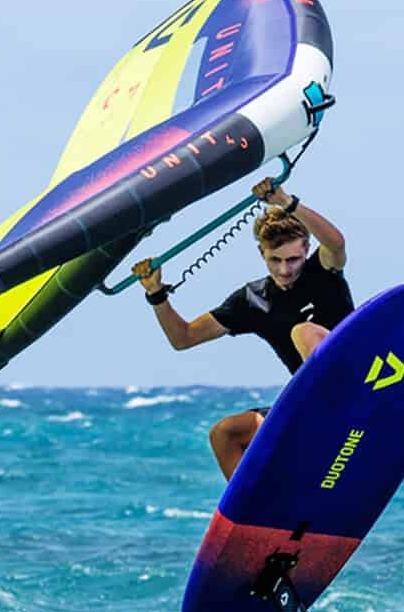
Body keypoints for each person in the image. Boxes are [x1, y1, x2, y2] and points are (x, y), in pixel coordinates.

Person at [132, 179, 352, 480]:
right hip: (308, 407)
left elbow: (336, 244)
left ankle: (336, 410)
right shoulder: (252, 300)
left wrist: (286, 201)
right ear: (262, 253)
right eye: (275, 260)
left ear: (306, 250)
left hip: (357, 381)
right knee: (225, 433)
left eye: (293, 259)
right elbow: (182, 338)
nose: (285, 269)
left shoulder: (322, 270)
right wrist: (156, 295)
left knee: (303, 332)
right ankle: (252, 514)